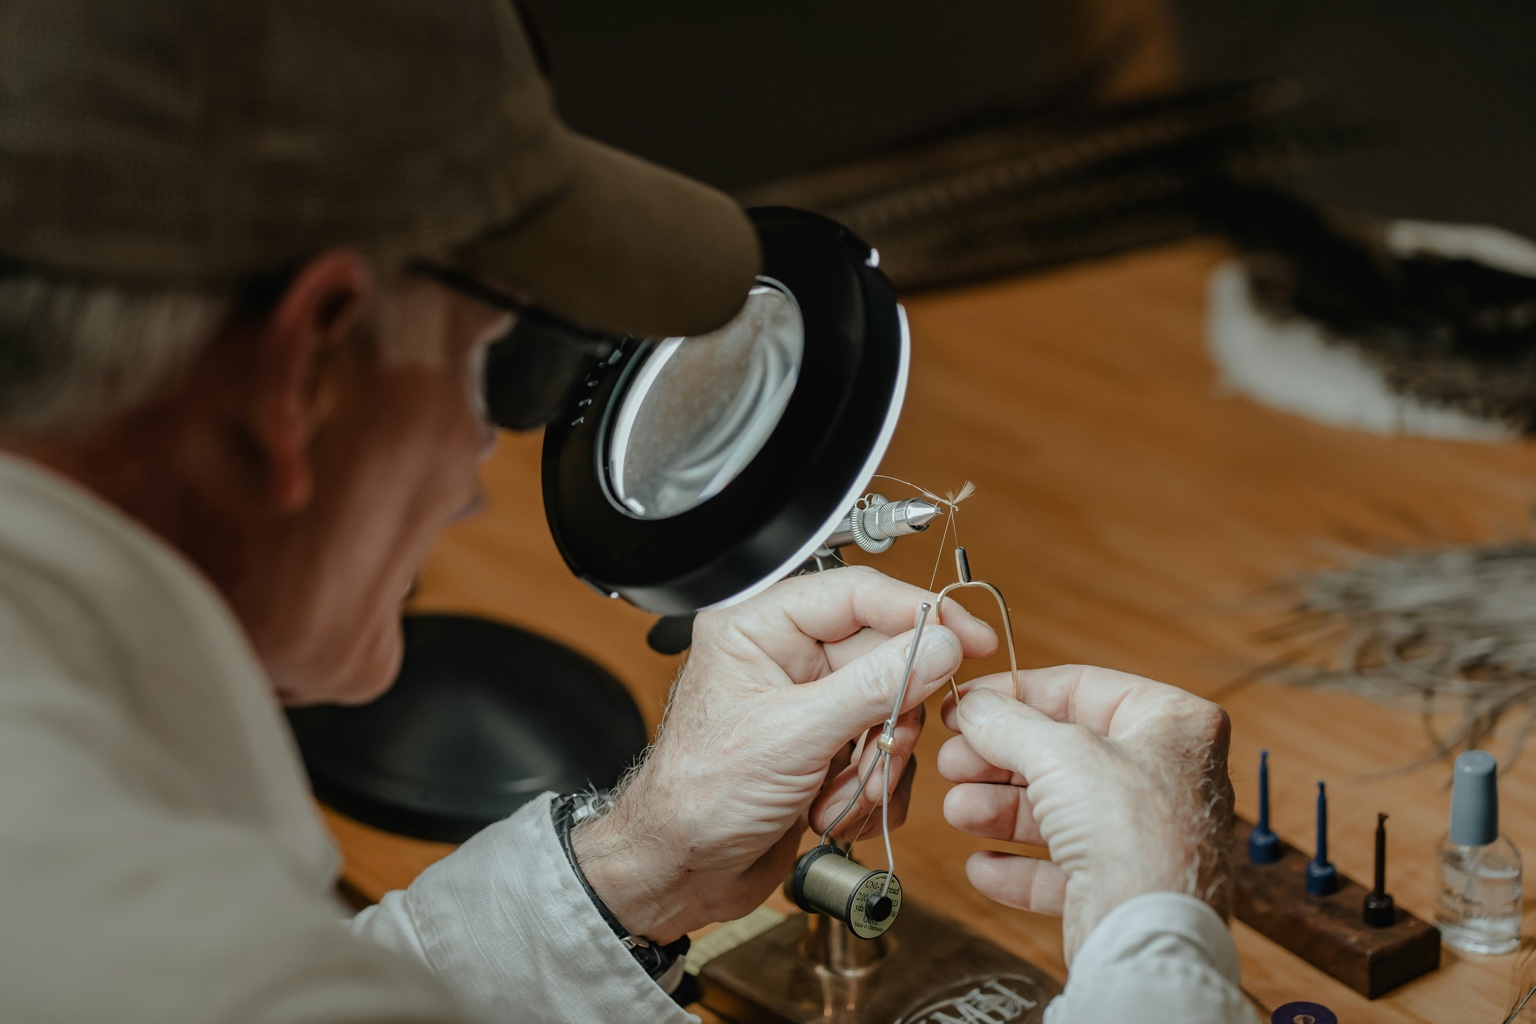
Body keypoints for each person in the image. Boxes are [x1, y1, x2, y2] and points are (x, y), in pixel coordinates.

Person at [0, 1, 1253, 1022]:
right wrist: (1158, 936)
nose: (481, 468)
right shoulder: (159, 931)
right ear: (303, 376)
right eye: (497, 362)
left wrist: (641, 866)